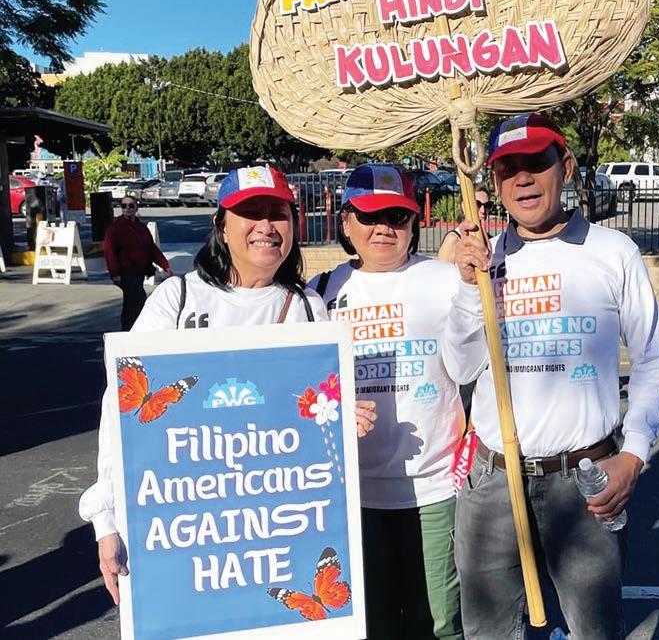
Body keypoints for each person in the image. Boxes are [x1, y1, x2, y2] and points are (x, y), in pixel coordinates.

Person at [80, 165, 377, 606]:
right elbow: (121, 414)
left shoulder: (309, 307)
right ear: (221, 226)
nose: (266, 226)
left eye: (277, 214)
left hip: (280, 534)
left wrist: (344, 419)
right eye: (250, 213)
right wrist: (105, 520)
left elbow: (317, 415)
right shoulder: (177, 299)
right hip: (193, 534)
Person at [443, 114, 659, 639]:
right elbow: (460, 368)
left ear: (564, 167)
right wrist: (470, 288)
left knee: (595, 631)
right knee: (488, 633)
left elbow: (652, 359)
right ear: (493, 180)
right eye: (508, 168)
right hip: (493, 481)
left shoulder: (613, 251)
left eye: (536, 163)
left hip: (583, 478)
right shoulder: (486, 258)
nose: (523, 178)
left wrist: (633, 455)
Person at [308, 164, 465, 640]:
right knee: (370, 625)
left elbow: (477, 367)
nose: (383, 228)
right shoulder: (320, 293)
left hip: (435, 489)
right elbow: (301, 391)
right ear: (346, 221)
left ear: (414, 221)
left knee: (438, 623)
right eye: (369, 215)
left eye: (397, 216)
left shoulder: (447, 280)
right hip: (353, 495)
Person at [103, 197, 173, 330]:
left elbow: (151, 248)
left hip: (140, 271)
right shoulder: (115, 228)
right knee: (138, 300)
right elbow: (109, 251)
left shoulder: (141, 228)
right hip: (125, 271)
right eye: (124, 206)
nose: (127, 209)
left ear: (136, 208)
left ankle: (129, 329)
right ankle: (131, 329)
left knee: (131, 303)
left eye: (131, 205)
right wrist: (115, 273)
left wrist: (165, 265)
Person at [436, 184, 493, 264]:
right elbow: (442, 270)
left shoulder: (490, 240)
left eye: (487, 206)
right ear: (464, 206)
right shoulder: (453, 239)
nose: (483, 210)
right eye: (477, 204)